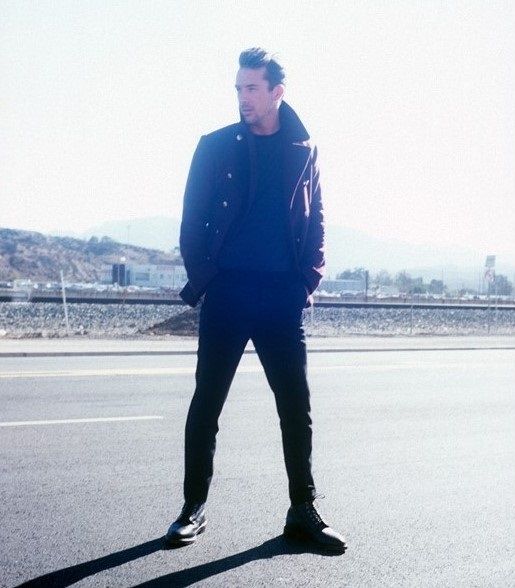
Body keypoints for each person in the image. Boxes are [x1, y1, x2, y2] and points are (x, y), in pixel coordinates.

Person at [165, 48, 346, 553]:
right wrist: (207, 279)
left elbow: (317, 218)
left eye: (252, 88)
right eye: (239, 88)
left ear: (276, 92)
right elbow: (192, 220)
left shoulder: (303, 148)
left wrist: (306, 281)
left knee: (296, 407)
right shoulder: (216, 146)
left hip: (281, 296)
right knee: (207, 402)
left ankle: (303, 511)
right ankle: (193, 508)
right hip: (228, 292)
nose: (243, 97)